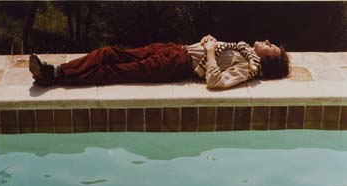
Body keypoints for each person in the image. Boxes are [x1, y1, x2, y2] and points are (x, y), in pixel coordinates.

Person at [29, 35, 290, 89]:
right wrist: (206, 43)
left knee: (112, 72)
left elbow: (216, 81)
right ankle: (54, 70)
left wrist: (209, 52)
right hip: (174, 50)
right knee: (109, 52)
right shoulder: (245, 50)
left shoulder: (249, 67)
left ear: (268, 61)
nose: (267, 41)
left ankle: (55, 77)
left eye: (271, 47)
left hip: (175, 65)